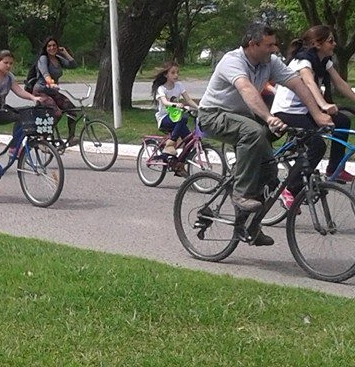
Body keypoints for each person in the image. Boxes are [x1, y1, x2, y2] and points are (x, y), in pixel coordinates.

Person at [198, 23, 332, 246]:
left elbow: (298, 85)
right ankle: (241, 194)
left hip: (242, 117)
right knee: (254, 131)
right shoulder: (233, 60)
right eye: (269, 45)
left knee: (270, 168)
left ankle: (250, 226)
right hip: (214, 115)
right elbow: (247, 90)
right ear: (253, 44)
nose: (275, 49)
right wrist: (269, 119)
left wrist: (318, 114)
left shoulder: (270, 62)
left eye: (275, 44)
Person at [270, 25, 355, 208]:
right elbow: (309, 83)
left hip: (305, 109)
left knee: (343, 121)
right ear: (317, 43)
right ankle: (289, 189)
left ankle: (335, 168)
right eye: (330, 41)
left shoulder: (324, 61)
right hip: (287, 111)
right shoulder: (303, 61)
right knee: (317, 144)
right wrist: (323, 105)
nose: (334, 44)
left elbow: (341, 84)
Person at [0, 51, 52, 196]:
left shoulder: (9, 77)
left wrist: (33, 98)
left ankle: (14, 148)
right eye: (5, 62)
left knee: (22, 116)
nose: (8, 66)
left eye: (11, 63)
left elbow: (19, 91)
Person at [25, 37, 78, 146]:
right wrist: (51, 82)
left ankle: (71, 138)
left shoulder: (58, 59)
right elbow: (45, 73)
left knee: (72, 111)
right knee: (56, 113)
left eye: (54, 45)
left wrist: (65, 53)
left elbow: (73, 65)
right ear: (46, 48)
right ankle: (43, 138)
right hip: (41, 91)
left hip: (53, 91)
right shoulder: (43, 59)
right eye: (49, 46)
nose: (52, 48)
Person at [151, 61, 199, 155]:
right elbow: (165, 102)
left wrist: (199, 108)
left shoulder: (179, 86)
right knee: (183, 117)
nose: (176, 75)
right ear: (166, 74)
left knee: (189, 141)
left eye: (177, 72)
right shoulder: (161, 88)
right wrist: (176, 105)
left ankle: (179, 164)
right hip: (165, 118)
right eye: (173, 73)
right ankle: (170, 144)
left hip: (176, 119)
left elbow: (188, 100)